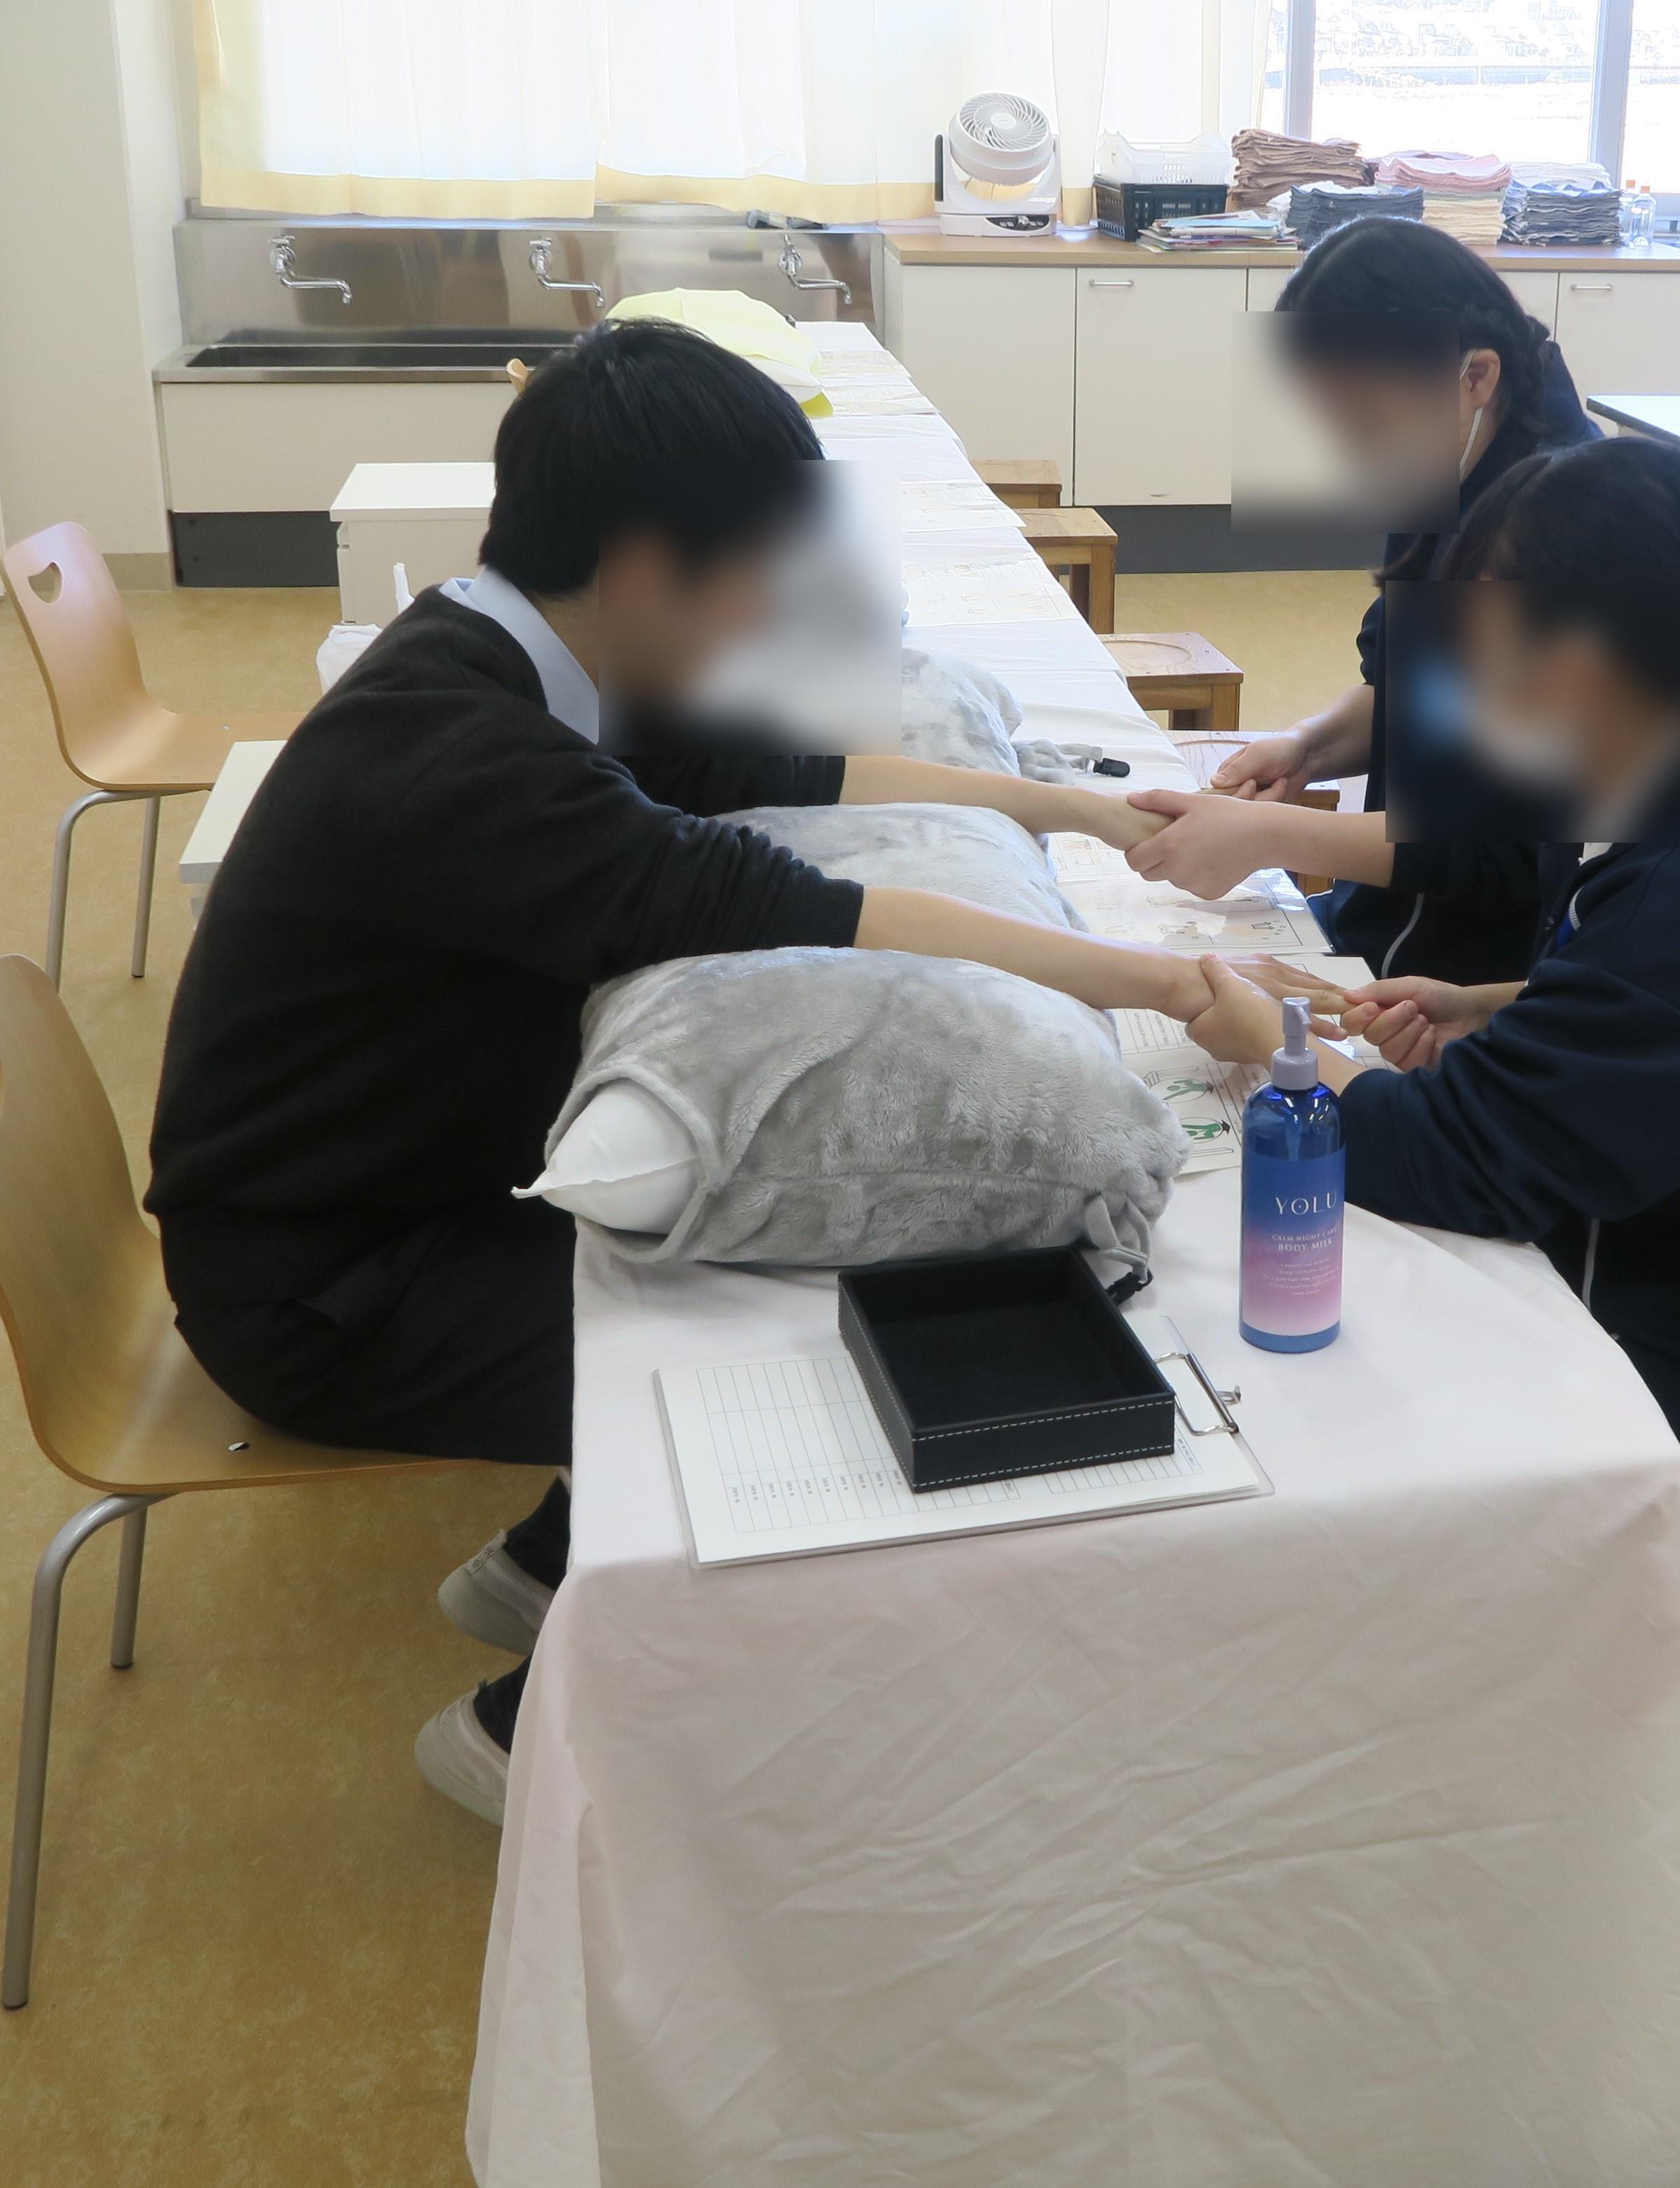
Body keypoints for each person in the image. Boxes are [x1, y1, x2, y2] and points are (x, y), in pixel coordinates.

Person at [146, 319, 1324, 1821]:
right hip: (323, 1292)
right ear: (645, 567)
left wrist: (1074, 813)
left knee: (759, 1261)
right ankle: (520, 1734)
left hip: (416, 1192)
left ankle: (541, 1567)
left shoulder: (520, 648)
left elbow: (764, 775)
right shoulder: (455, 756)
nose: (765, 611)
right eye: (752, 574)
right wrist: (1167, 983)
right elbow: (776, 895)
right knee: (788, 1358)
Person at [1181, 437, 1680, 1528]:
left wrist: (1278, 1042)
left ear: (1585, 659)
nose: (1460, 686)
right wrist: (1496, 1003)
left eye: (1480, 649)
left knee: (1284, 1391)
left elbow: (1450, 1161)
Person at [1119, 215, 1601, 978]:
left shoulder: (1558, 532)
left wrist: (1267, 836)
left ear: (1476, 376)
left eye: (1365, 425)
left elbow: (1504, 852)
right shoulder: (1454, 457)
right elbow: (1421, 698)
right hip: (1387, 917)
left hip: (1463, 976)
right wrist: (1308, 746)